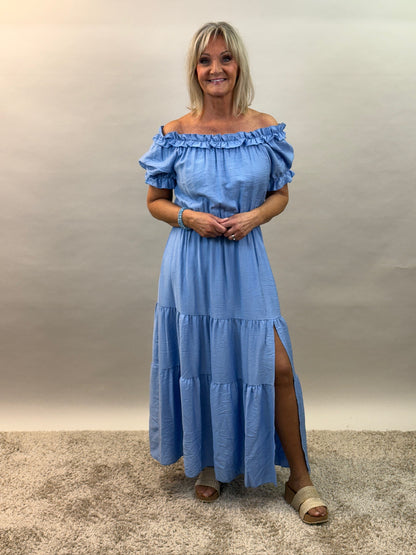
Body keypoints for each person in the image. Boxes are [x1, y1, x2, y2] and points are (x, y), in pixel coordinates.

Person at [139, 21, 328, 524]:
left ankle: (300, 479)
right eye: (205, 60)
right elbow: (155, 202)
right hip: (191, 262)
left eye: (225, 58)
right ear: (194, 70)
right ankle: (211, 462)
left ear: (238, 65)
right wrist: (189, 217)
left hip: (244, 258)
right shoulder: (175, 134)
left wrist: (255, 216)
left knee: (277, 366)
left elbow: (280, 194)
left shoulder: (264, 128)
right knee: (202, 358)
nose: (215, 69)